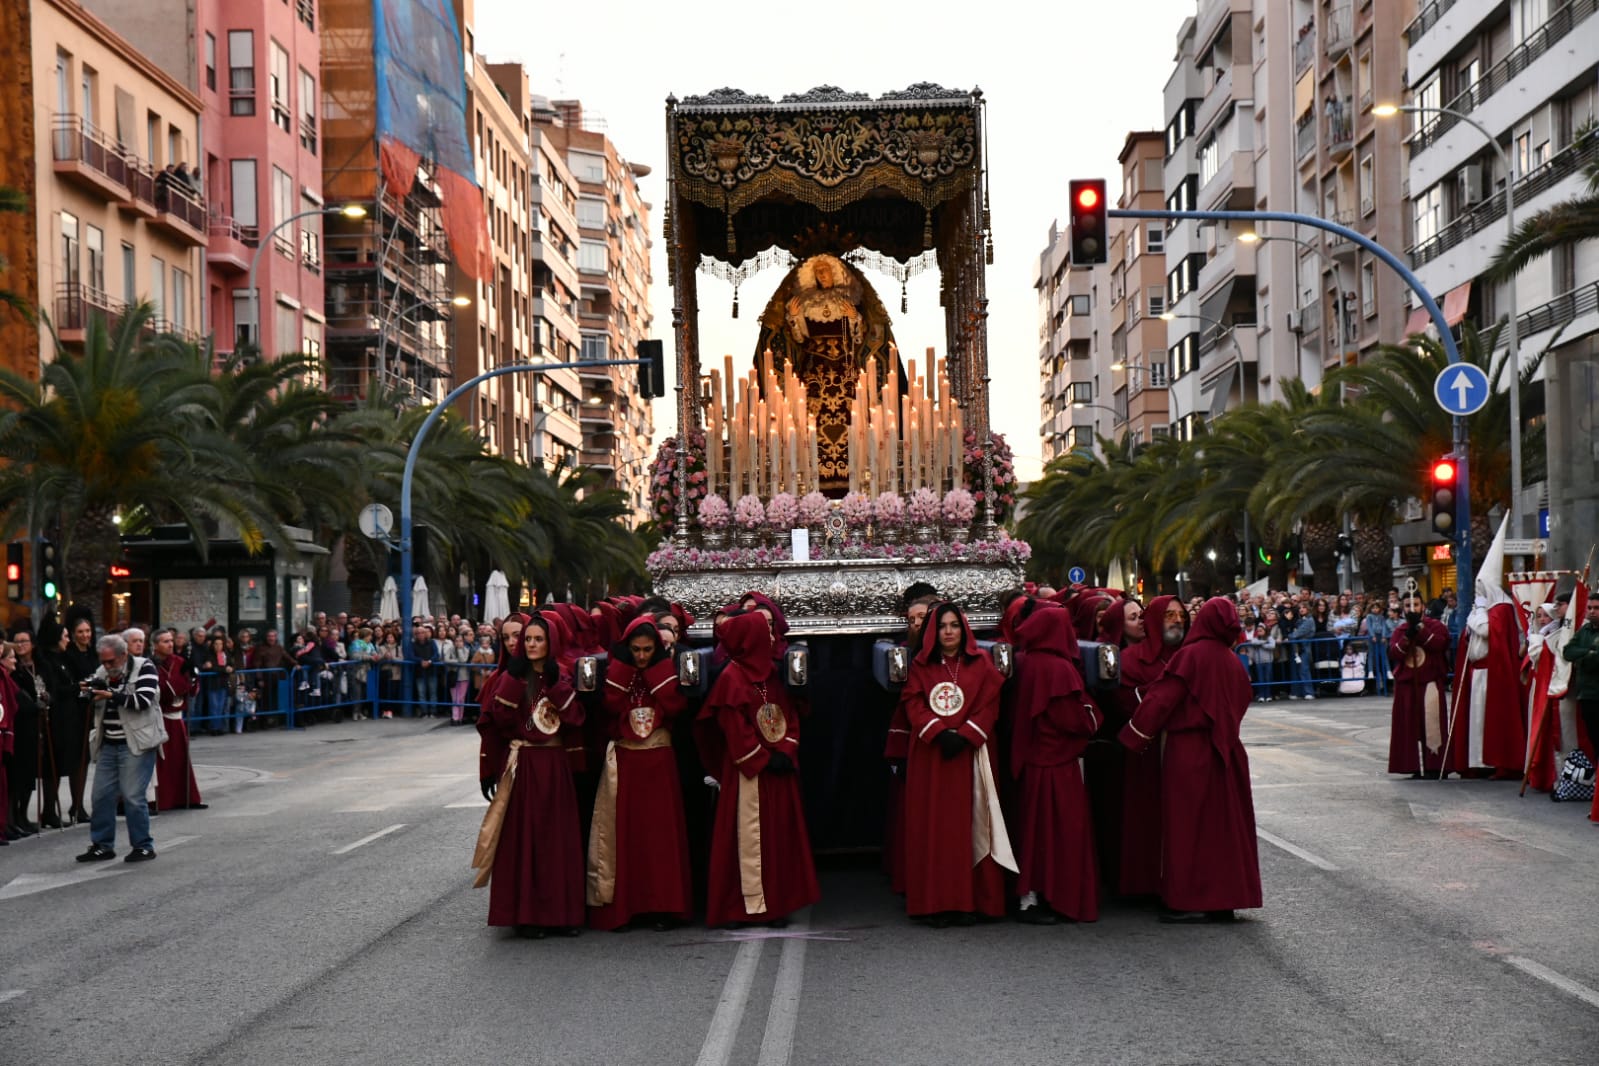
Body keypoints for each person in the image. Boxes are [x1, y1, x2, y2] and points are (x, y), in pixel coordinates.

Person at [1119, 597, 1262, 923]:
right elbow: (1243, 699)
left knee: (1186, 828)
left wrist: (1134, 737)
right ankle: (1224, 900)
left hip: (1189, 751)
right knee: (1224, 829)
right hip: (1228, 752)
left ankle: (1185, 900)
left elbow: (1161, 699)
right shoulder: (1231, 661)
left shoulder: (1190, 656)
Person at [700, 611, 819, 928]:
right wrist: (764, 758)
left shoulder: (774, 673)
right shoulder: (731, 679)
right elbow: (733, 729)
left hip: (778, 769)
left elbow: (790, 714)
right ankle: (737, 908)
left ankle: (776, 905)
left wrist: (787, 748)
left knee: (777, 837)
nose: (770, 638)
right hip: (749, 774)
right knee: (744, 839)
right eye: (763, 632)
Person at [899, 602, 1014, 926]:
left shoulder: (981, 664)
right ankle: (935, 903)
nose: (949, 632)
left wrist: (965, 735)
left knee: (971, 825)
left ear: (964, 629)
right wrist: (937, 732)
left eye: (955, 625)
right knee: (935, 828)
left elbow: (991, 703)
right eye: (943, 626)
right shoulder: (921, 666)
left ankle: (969, 901)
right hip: (932, 756)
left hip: (970, 755)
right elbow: (913, 702)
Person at [471, 614, 585, 937]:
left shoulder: (560, 674)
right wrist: (515, 680)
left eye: (539, 639)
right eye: (529, 640)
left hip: (555, 762)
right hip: (525, 763)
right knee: (527, 838)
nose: (533, 645)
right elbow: (500, 721)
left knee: (557, 839)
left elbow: (576, 718)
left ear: (550, 643)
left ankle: (561, 914)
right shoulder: (513, 675)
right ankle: (528, 915)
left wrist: (555, 684)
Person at [587, 617, 692, 932]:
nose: (642, 656)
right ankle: (625, 907)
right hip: (626, 762)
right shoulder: (619, 671)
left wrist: (655, 671)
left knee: (660, 838)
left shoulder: (665, 671)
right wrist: (625, 667)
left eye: (648, 650)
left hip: (659, 761)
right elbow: (609, 704)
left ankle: (663, 906)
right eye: (636, 650)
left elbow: (674, 706)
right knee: (624, 836)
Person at [1009, 606, 1100, 923]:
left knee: (1034, 833)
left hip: (1032, 760)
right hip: (1056, 763)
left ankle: (1031, 896)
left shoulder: (1026, 661)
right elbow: (1074, 719)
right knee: (1060, 835)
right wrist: (1092, 715)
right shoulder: (1059, 669)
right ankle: (1055, 897)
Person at [1116, 595, 1187, 898]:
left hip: (1184, 752)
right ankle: (1146, 884)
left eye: (1181, 615)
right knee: (1147, 820)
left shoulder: (1191, 654)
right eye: (1170, 615)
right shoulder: (1132, 659)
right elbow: (1125, 700)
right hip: (1147, 752)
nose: (1177, 621)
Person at [76, 634, 164, 864]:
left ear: (124, 655)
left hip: (137, 742)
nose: (106, 667)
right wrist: (87, 692)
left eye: (111, 662)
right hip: (109, 742)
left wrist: (112, 695)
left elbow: (143, 701)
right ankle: (102, 845)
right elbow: (87, 698)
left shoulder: (145, 667)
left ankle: (143, 846)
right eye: (103, 662)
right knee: (101, 796)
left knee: (133, 796)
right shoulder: (103, 672)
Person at [1387, 595, 1455, 779]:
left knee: (1432, 724)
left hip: (1429, 682)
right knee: (1409, 725)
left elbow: (1440, 643)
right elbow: (1394, 653)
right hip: (1407, 685)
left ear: (1423, 606)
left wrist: (1421, 630)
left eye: (1415, 605)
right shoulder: (1400, 630)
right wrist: (1408, 636)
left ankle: (1435, 766)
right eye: (1408, 605)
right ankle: (1414, 766)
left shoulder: (1435, 626)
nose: (1412, 608)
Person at [151, 628, 205, 810]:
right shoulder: (150, 664)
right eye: (165, 641)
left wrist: (193, 680)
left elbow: (191, 688)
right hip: (160, 718)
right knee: (162, 763)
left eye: (171, 640)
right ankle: (163, 799)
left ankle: (185, 798)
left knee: (180, 760)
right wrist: (181, 685)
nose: (170, 644)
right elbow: (161, 690)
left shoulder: (180, 662)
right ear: (156, 645)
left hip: (177, 718)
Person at [6, 631, 42, 837]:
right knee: (12, 779)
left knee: (24, 777)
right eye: (10, 657)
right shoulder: (10, 677)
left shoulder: (25, 670)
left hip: (27, 730)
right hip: (14, 730)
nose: (14, 659)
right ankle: (9, 820)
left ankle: (19, 817)